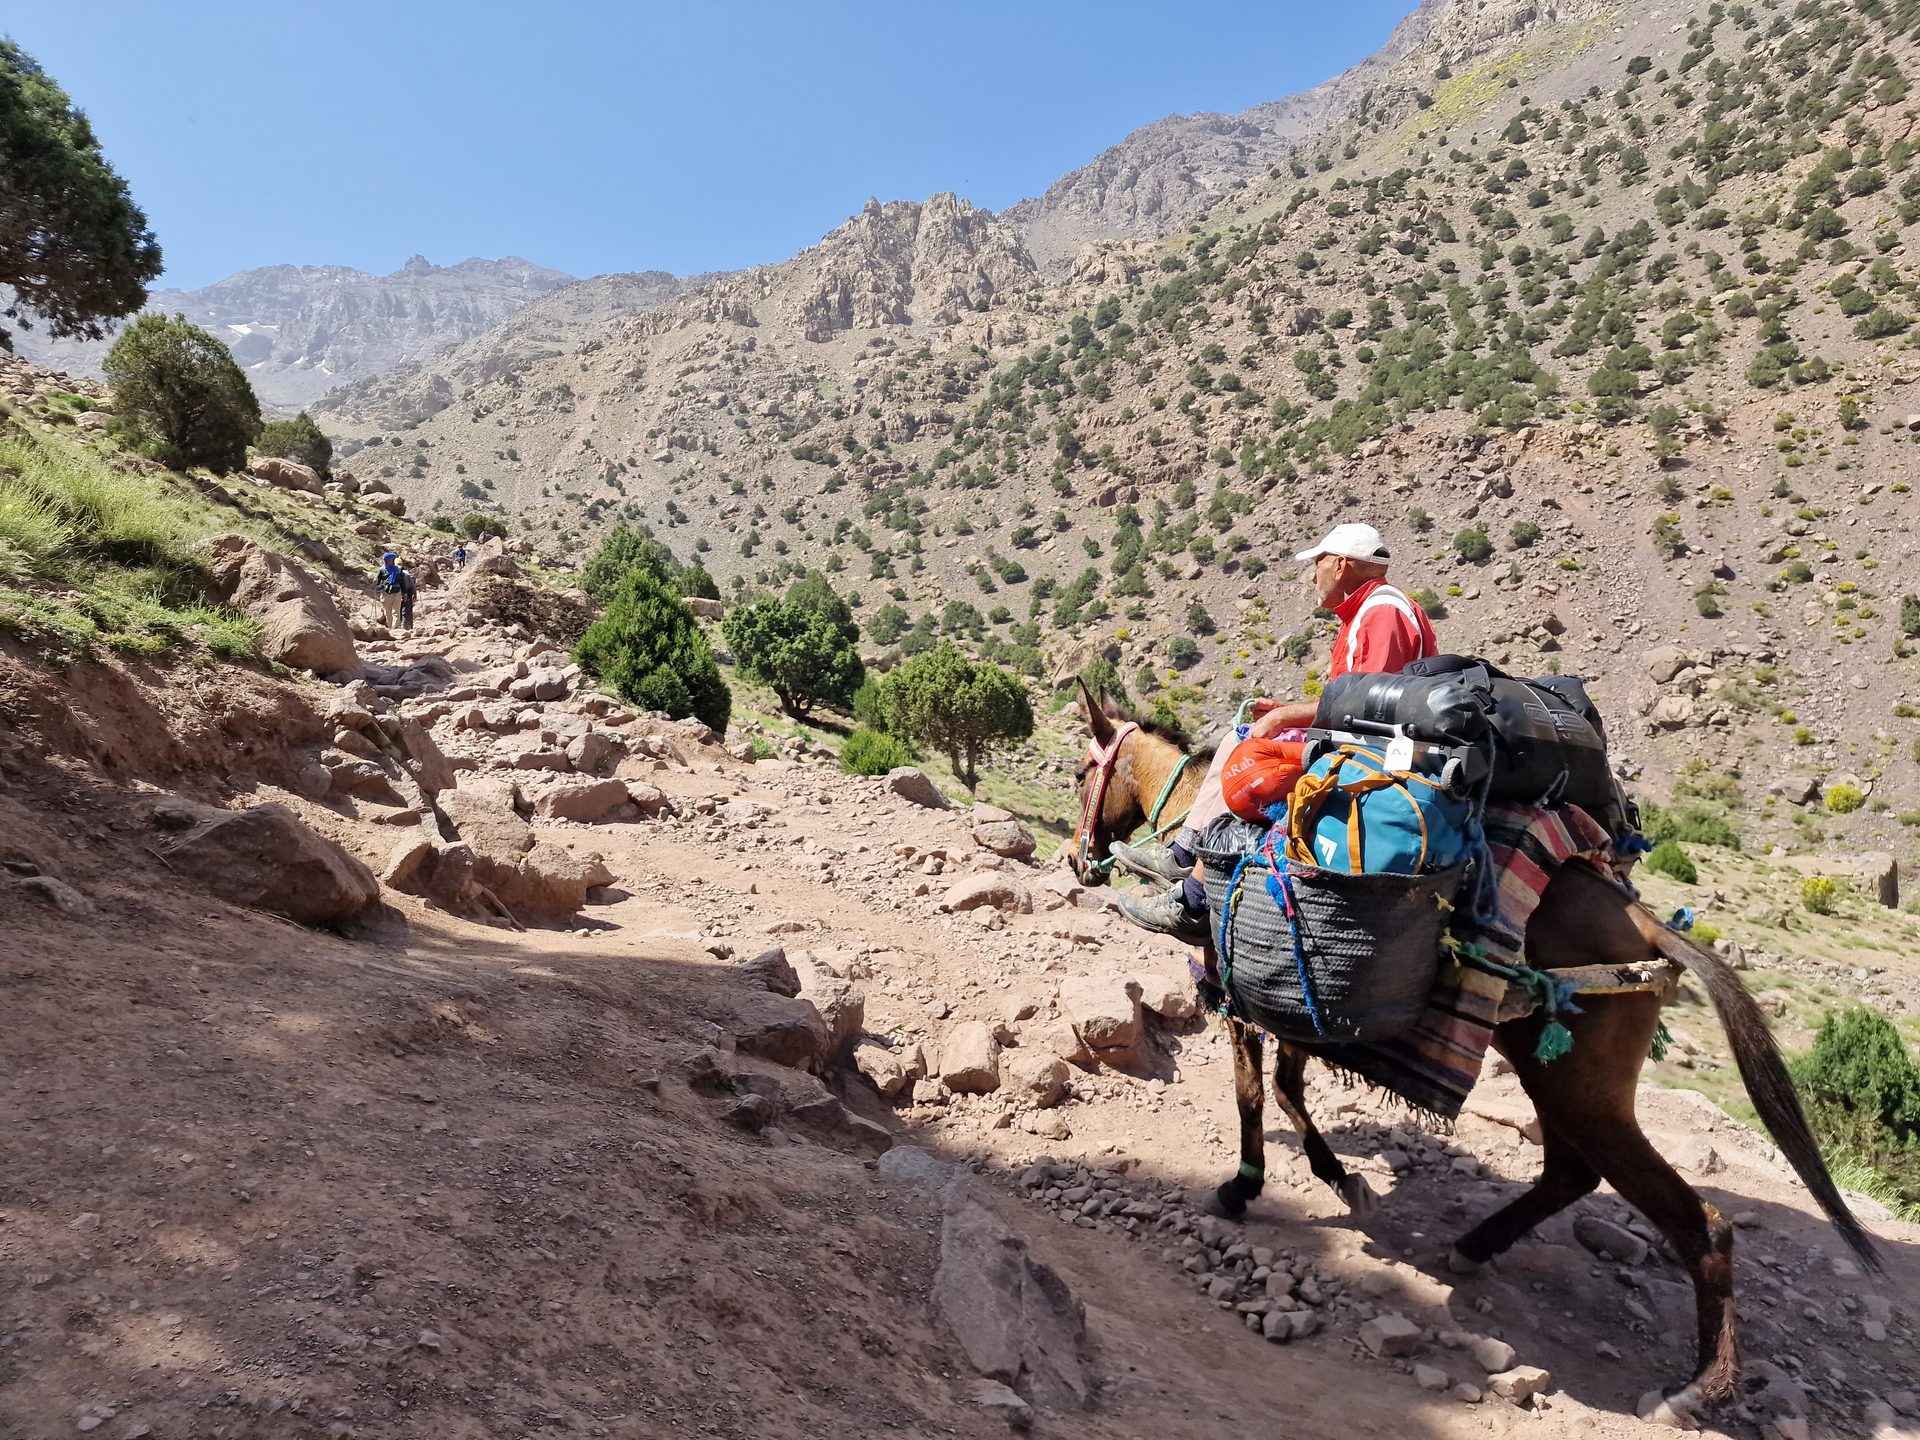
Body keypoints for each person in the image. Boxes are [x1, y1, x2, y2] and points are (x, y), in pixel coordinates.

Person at [1115, 522, 1438, 941]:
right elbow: (1355, 697)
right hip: (1361, 740)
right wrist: (1290, 713)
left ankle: (1193, 897)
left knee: (1252, 767)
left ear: (1340, 565)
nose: (1312, 574)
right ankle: (1184, 852)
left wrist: (1288, 719)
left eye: (1318, 563)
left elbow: (1369, 703)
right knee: (1243, 737)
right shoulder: (1370, 609)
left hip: (1370, 753)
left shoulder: (1382, 612)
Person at [376, 551, 417, 631]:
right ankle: (393, 628)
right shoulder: (390, 570)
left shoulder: (390, 569)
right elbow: (402, 582)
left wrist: (404, 593)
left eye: (391, 559)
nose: (391, 561)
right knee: (391, 612)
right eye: (389, 560)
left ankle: (394, 629)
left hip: (391, 593)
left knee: (392, 612)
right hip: (391, 593)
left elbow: (401, 582)